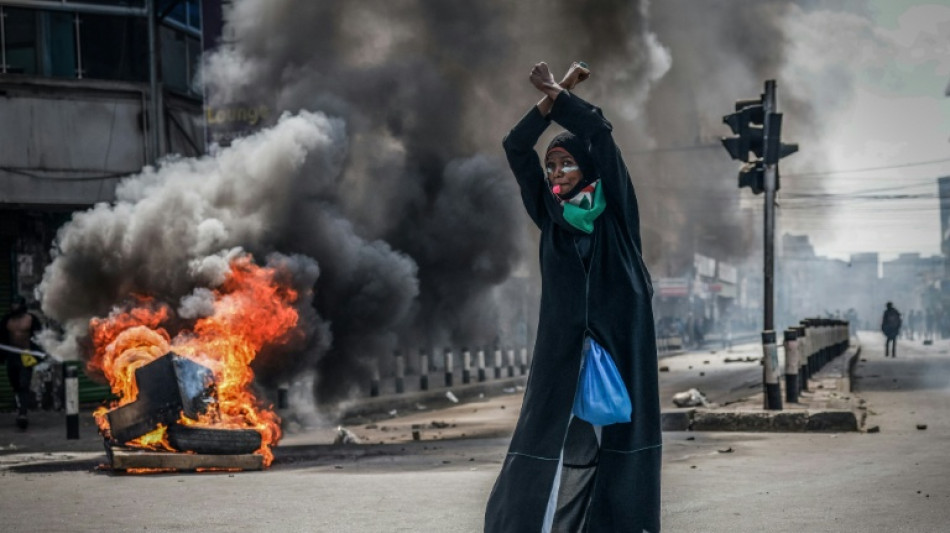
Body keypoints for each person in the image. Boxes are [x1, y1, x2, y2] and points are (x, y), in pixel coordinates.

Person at [484, 61, 660, 532]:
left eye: (566, 164)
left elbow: (599, 130)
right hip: (564, 350)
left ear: (588, 168)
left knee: (619, 444)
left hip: (619, 346)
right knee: (549, 442)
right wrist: (547, 102)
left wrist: (561, 93)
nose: (557, 173)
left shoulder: (616, 208)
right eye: (552, 166)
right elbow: (515, 146)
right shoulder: (551, 214)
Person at [1, 296, 43, 429]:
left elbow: (39, 336)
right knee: (15, 384)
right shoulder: (7, 320)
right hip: (11, 356)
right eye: (13, 304)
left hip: (26, 356)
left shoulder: (30, 319)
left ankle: (23, 414)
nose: (14, 307)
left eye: (17, 304)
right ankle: (20, 407)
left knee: (24, 384)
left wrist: (39, 352)